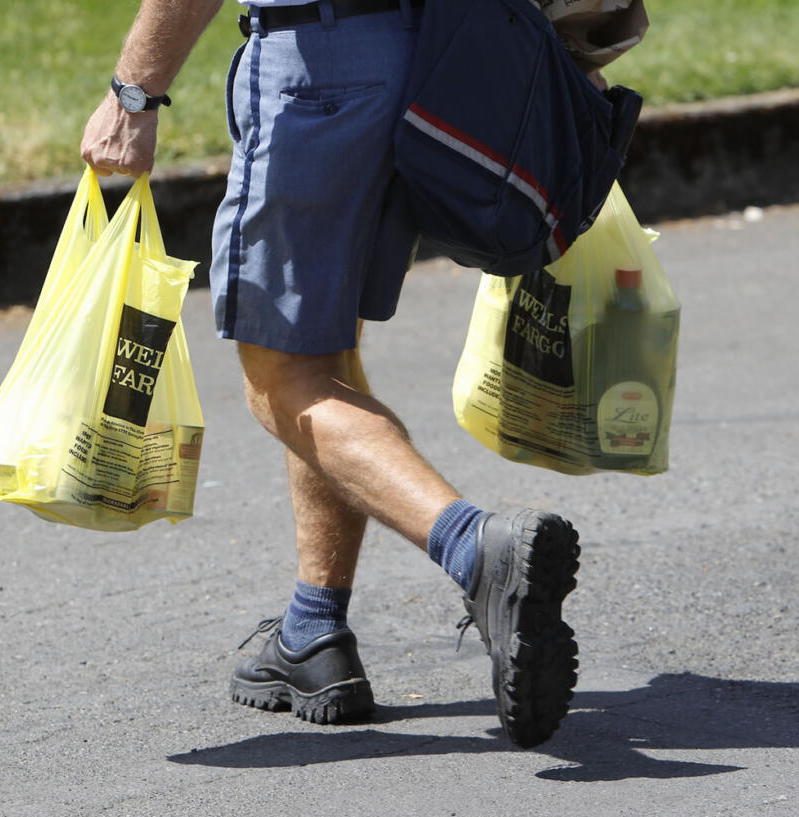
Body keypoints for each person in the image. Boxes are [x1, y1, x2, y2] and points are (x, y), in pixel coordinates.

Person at [81, 0, 581, 749]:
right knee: (322, 344)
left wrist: (135, 91)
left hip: (322, 62)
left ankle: (477, 548)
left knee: (281, 376)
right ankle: (315, 631)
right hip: (444, 56)